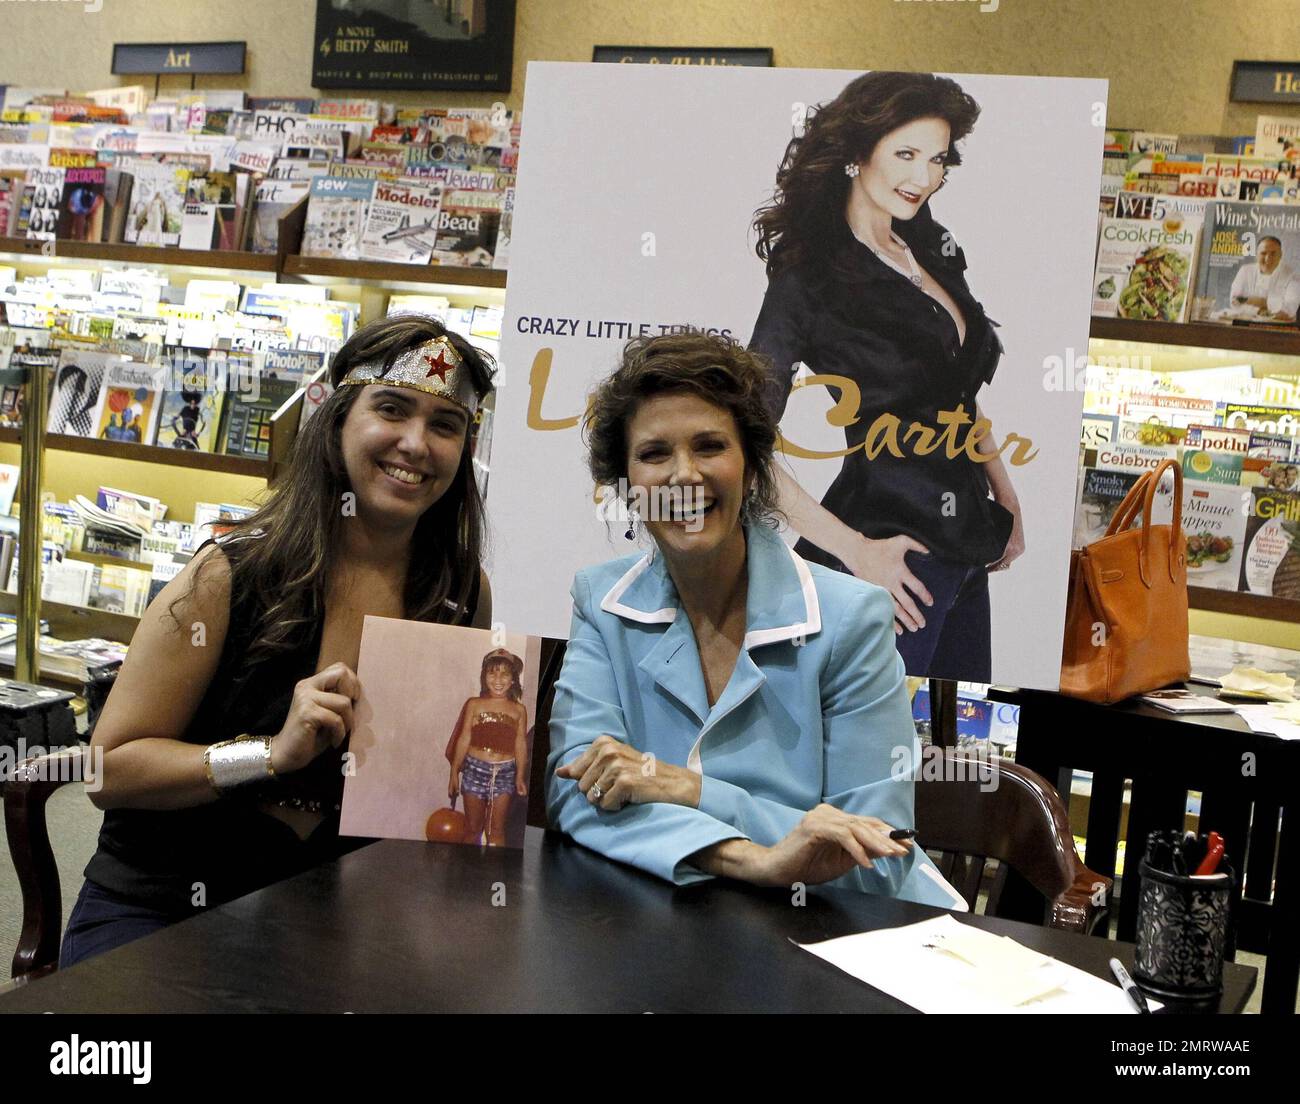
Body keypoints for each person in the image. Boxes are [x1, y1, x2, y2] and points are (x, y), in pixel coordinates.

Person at [60, 314, 496, 966]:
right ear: (338, 417)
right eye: (392, 409)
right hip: (165, 912)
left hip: (334, 925)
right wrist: (266, 754)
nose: (416, 443)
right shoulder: (226, 576)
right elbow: (107, 769)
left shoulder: (461, 593)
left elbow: (423, 794)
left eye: (445, 425)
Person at [546, 332, 964, 908]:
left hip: (837, 943)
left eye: (710, 446)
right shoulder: (599, 600)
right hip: (674, 926)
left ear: (752, 466)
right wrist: (758, 859)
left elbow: (878, 856)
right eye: (653, 453)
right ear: (626, 484)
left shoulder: (851, 617)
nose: (683, 475)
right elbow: (573, 796)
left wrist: (689, 789)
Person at [749, 71, 1024, 682]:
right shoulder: (809, 278)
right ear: (854, 155)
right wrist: (854, 549)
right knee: (866, 763)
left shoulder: (927, 248)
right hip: (886, 560)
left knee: (955, 758)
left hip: (966, 550)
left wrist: (1004, 496)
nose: (924, 177)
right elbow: (743, 442)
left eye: (936, 159)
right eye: (905, 155)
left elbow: (957, 393)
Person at [447, 649, 529, 846]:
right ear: (484, 677)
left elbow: (520, 743)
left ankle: (493, 873)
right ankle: (466, 872)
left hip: (505, 774)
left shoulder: (519, 710)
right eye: (492, 672)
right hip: (475, 770)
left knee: (496, 829)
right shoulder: (475, 704)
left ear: (513, 680)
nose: (498, 679)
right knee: (473, 827)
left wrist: (519, 776)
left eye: (505, 673)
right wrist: (453, 773)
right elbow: (464, 737)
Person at [1229, 235, 1300, 322]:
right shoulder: (1245, 271)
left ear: (1280, 255)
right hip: (1246, 325)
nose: (1268, 258)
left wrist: (1261, 302)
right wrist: (1260, 310)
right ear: (1256, 254)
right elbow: (1235, 302)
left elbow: (1290, 309)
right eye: (1263, 253)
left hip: (1278, 328)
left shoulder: (1293, 276)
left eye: (1273, 253)